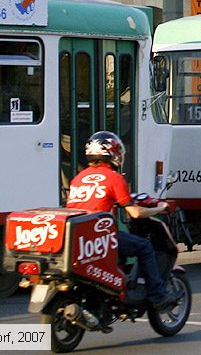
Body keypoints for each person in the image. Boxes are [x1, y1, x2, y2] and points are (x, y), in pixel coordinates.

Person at [66, 131, 178, 309]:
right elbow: (135, 213)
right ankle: (157, 295)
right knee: (144, 246)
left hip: (79, 238)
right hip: (101, 237)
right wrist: (159, 208)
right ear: (114, 153)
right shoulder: (114, 178)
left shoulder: (78, 179)